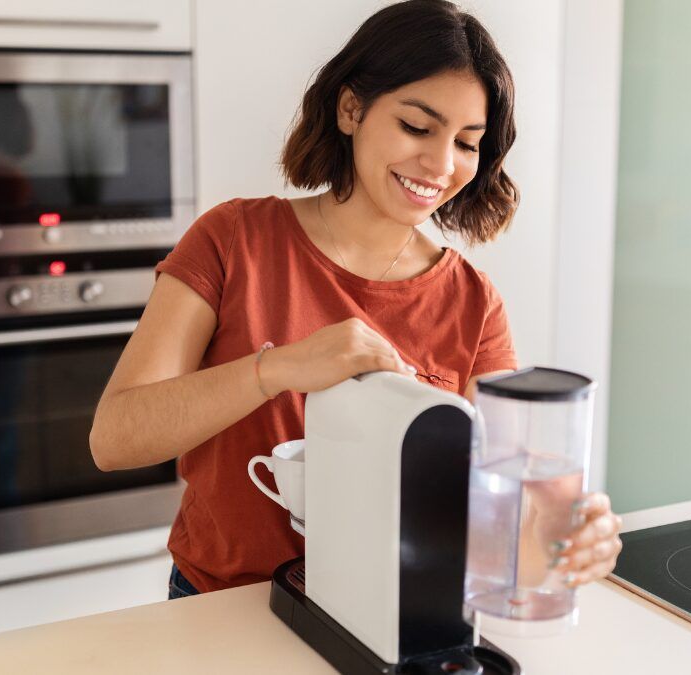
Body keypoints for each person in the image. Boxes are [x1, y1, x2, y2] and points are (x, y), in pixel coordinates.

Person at [89, 0, 622, 601]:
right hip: (223, 603)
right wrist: (278, 367)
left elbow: (491, 518)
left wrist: (565, 538)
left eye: (468, 143)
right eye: (418, 127)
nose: (441, 164)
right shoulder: (234, 238)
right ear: (351, 109)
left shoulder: (474, 304)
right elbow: (114, 439)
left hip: (386, 611)